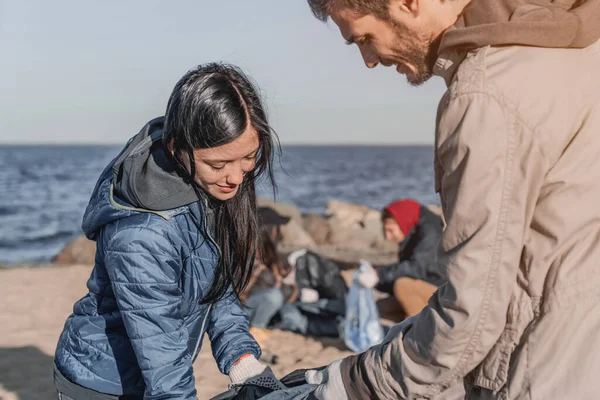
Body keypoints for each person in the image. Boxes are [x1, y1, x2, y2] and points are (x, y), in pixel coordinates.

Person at [303, 0, 600, 399]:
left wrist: (358, 380)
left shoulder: (486, 95)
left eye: (366, 38)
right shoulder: (576, 48)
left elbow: (471, 314)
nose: (369, 60)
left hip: (545, 372)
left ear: (407, 3)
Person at [53, 63, 286, 400]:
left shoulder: (206, 189)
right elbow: (161, 353)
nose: (236, 177)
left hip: (154, 370)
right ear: (178, 149)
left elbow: (216, 285)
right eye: (218, 165)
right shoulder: (143, 234)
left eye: (248, 157)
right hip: (102, 385)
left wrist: (242, 359)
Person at [358, 199, 445, 321]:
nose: (387, 237)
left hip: (444, 292)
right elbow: (406, 270)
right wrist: (377, 282)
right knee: (378, 308)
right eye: (385, 231)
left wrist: (379, 275)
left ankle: (422, 335)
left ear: (402, 222)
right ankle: (405, 330)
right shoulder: (412, 231)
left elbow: (417, 268)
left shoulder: (430, 231)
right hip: (428, 287)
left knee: (402, 286)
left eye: (390, 230)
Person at [241, 207, 298, 346]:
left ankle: (265, 328)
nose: (280, 233)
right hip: (245, 308)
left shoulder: (276, 257)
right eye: (278, 228)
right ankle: (257, 330)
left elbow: (291, 292)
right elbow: (240, 293)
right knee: (274, 296)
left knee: (294, 318)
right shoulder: (246, 255)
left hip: (269, 304)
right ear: (271, 230)